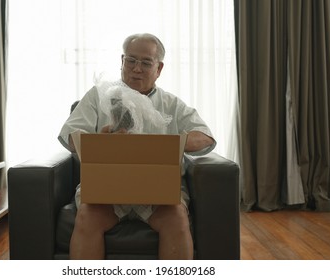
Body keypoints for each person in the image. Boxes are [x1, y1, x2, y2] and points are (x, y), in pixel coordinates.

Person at [58, 33, 216, 259]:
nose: (136, 69)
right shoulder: (98, 96)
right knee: (87, 215)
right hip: (107, 188)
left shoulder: (171, 104)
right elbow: (69, 135)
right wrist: (98, 142)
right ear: (122, 61)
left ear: (159, 68)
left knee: (177, 217)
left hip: (157, 191)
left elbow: (206, 138)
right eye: (131, 60)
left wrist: (173, 142)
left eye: (145, 62)